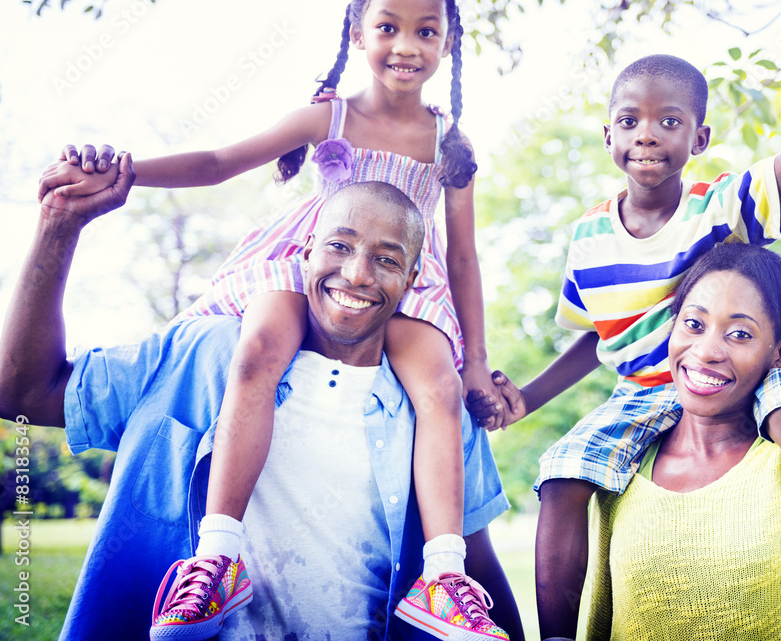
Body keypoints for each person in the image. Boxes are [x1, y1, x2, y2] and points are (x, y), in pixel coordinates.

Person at [37, 0, 511, 639]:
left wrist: (473, 363)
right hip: (311, 258)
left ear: (448, 43)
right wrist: (126, 173)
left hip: (405, 278)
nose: (406, 46)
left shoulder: (450, 143)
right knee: (256, 351)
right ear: (356, 32)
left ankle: (441, 575)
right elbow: (219, 162)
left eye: (426, 32)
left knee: (434, 389)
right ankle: (218, 554)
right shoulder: (330, 116)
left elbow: (462, 257)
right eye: (387, 27)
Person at [481, 42, 781, 640]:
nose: (646, 134)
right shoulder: (587, 236)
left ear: (699, 139)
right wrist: (529, 399)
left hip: (742, 375)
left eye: (669, 121)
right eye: (629, 121)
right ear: (608, 135)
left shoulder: (715, 208)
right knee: (560, 474)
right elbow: (601, 335)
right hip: (639, 391)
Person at [0, 172, 523, 641]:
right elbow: (22, 393)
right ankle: (215, 566)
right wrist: (57, 226)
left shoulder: (435, 402)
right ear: (306, 253)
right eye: (339, 247)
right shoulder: (201, 355)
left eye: (386, 260)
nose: (358, 275)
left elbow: (478, 562)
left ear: (412, 282)